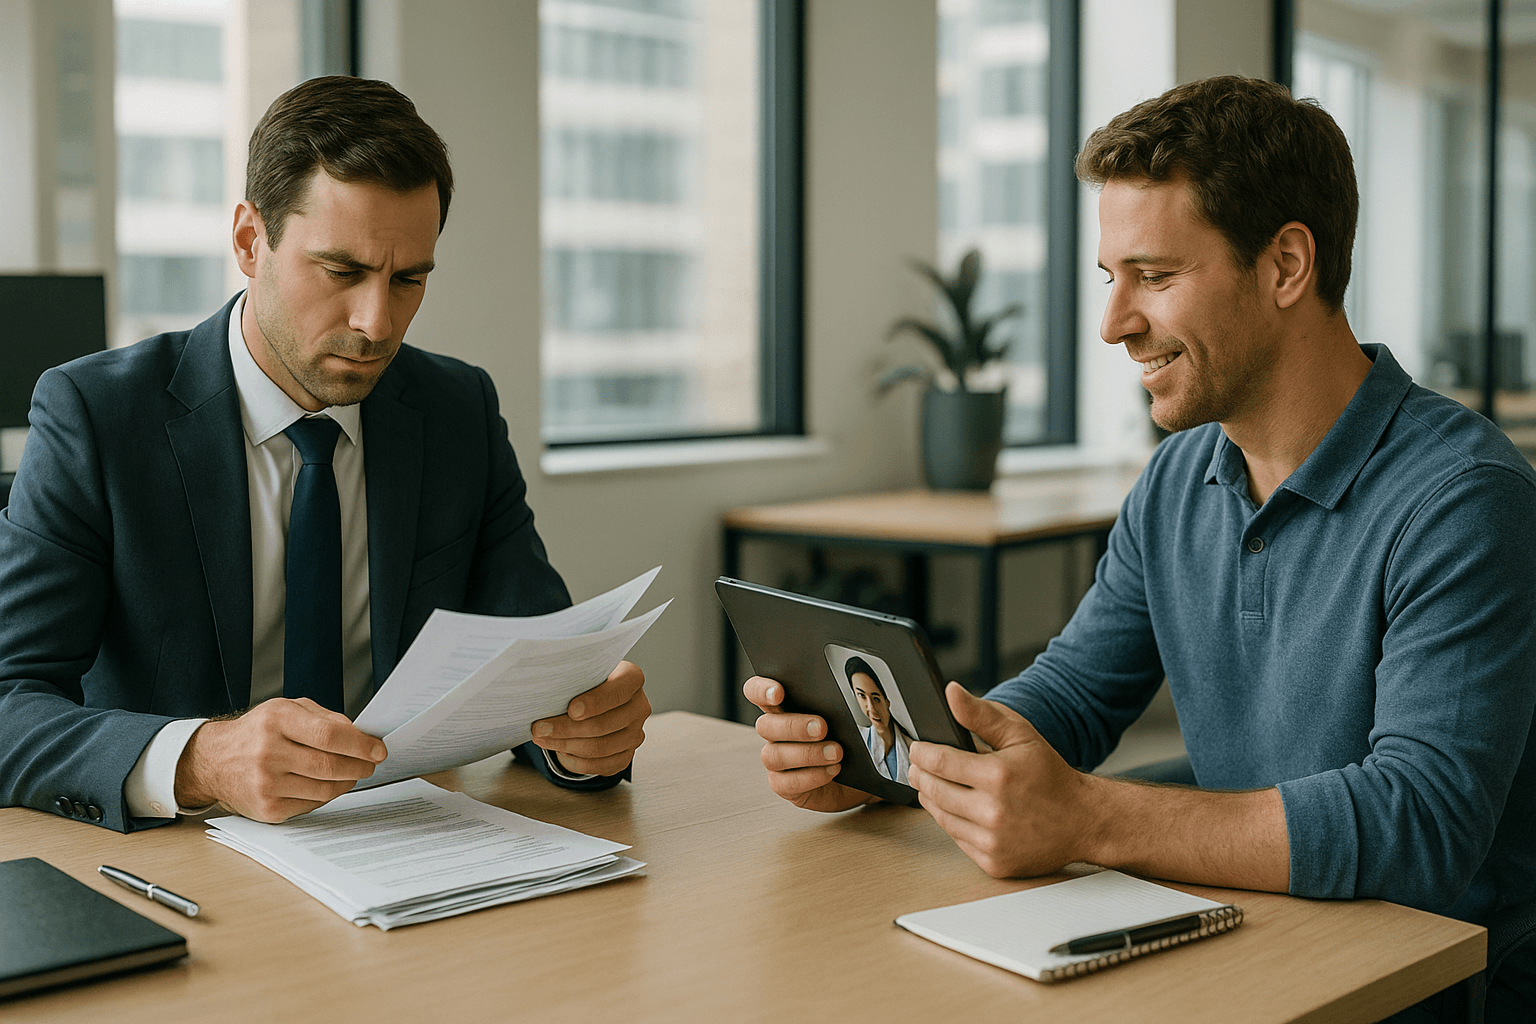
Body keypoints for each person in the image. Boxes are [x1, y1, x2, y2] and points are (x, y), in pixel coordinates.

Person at [747, 76, 1536, 1020]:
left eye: (1154, 277)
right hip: (1253, 930)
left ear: (1286, 265)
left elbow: (1423, 824)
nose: (1115, 323)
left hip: (1429, 978)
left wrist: (1088, 816)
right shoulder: (1178, 478)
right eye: (1110, 278)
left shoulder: (1463, 499)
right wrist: (900, 762)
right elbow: (1075, 695)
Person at [0, 76, 649, 834]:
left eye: (408, 279)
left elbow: (537, 665)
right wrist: (200, 760)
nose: (377, 323)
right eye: (342, 272)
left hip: (404, 839)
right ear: (251, 241)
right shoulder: (97, 416)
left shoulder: (456, 410)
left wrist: (583, 738)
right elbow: (10, 702)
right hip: (184, 853)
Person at [845, 656, 913, 785]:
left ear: (887, 701)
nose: (871, 709)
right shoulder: (854, 741)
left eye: (876, 698)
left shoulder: (911, 748)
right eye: (862, 696)